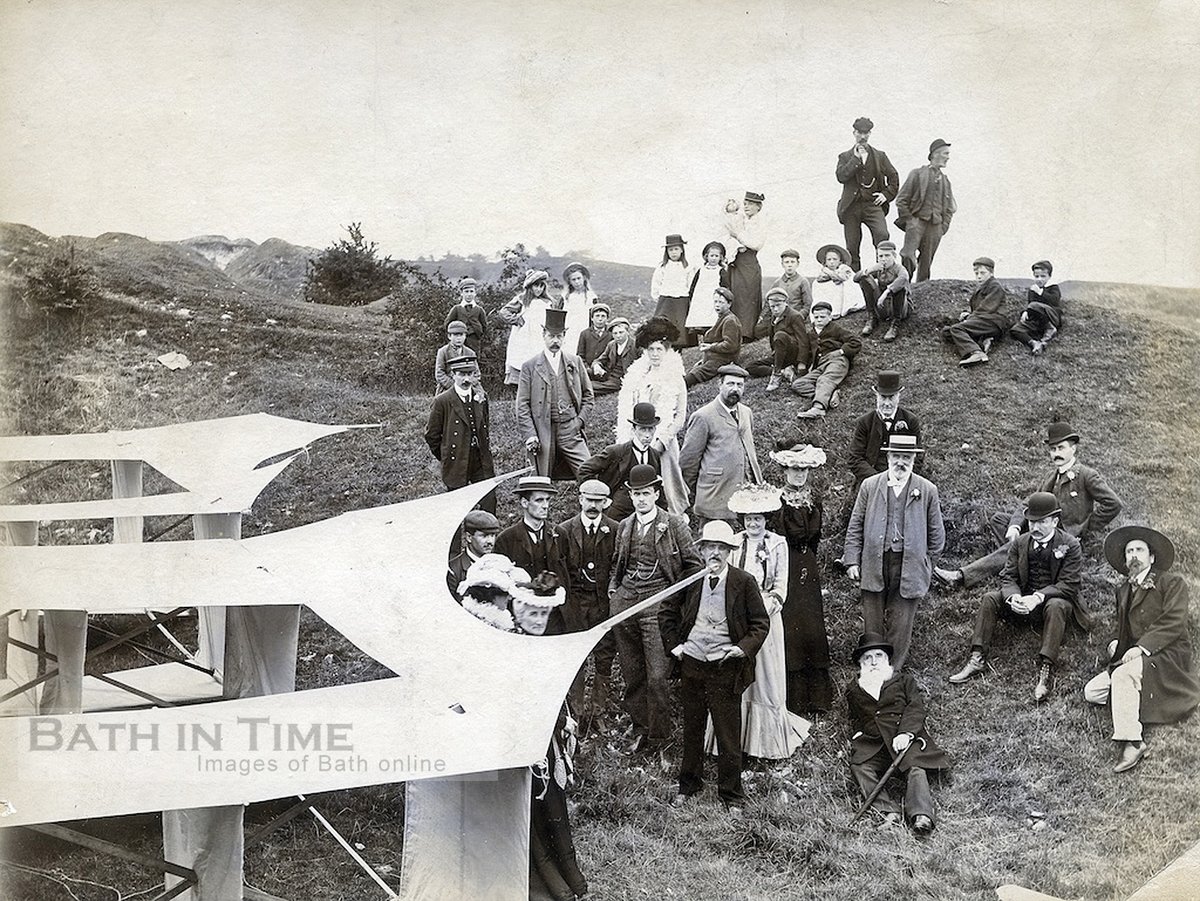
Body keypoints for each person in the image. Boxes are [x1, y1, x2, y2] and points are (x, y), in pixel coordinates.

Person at [660, 520, 769, 813]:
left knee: (727, 734)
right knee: (692, 728)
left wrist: (740, 648)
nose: (715, 554)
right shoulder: (691, 578)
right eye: (710, 547)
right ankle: (688, 785)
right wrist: (675, 646)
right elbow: (666, 611)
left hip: (724, 667)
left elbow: (760, 623)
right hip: (692, 664)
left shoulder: (743, 582)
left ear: (729, 551)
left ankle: (731, 795)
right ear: (702, 550)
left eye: (722, 548)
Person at [934, 422, 1123, 590]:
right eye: (1053, 449)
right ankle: (1023, 558)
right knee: (1000, 520)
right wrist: (1015, 526)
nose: (1056, 453)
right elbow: (1028, 502)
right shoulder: (1051, 476)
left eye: (1061, 448)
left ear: (1073, 449)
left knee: (1020, 543)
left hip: (1062, 538)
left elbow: (1113, 504)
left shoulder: (1086, 475)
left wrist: (1086, 527)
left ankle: (961, 576)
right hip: (1043, 527)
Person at [947, 492, 1089, 701]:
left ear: (1055, 521)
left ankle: (1045, 669)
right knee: (990, 598)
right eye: (1031, 522)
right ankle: (977, 657)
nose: (1035, 528)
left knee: (1057, 605)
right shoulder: (1020, 543)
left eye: (1042, 522)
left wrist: (1038, 597)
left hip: (1053, 605)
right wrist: (1014, 598)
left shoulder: (1070, 545)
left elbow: (1069, 585)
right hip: (1023, 603)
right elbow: (1009, 576)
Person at [1084, 526, 1200, 773]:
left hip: (1167, 655)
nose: (1133, 555)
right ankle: (1135, 695)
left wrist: (1142, 648)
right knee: (1092, 692)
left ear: (1152, 557)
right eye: (1129, 551)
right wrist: (1116, 641)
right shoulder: (1123, 590)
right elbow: (1122, 626)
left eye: (1139, 550)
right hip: (1137, 656)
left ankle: (1133, 741)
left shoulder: (1171, 583)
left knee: (1123, 676)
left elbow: (1174, 622)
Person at [608, 464, 703, 755]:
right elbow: (617, 564)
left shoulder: (673, 524)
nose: (640, 499)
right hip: (625, 605)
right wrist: (615, 591)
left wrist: (675, 601)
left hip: (658, 607)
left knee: (658, 676)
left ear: (656, 493)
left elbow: (695, 565)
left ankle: (660, 739)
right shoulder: (624, 526)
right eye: (636, 494)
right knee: (631, 672)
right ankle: (640, 729)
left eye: (646, 493)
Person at [719, 484, 809, 758]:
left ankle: (767, 742)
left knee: (767, 675)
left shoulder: (777, 543)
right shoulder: (735, 544)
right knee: (739, 672)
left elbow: (781, 586)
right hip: (738, 618)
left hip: (767, 616)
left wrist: (766, 608)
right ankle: (739, 739)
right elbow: (726, 579)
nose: (753, 523)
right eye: (748, 519)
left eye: (758, 518)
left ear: (766, 519)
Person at [841, 434, 945, 671]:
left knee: (901, 622)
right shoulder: (870, 486)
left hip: (909, 565)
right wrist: (851, 561)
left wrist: (926, 564)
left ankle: (892, 673)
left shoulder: (927, 490)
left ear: (913, 459)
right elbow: (855, 524)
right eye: (896, 456)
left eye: (906, 457)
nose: (901, 462)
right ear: (888, 457)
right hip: (874, 561)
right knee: (872, 620)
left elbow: (937, 535)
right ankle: (871, 669)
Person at [846, 633, 949, 834]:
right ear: (861, 663)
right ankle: (888, 812)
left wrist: (906, 733)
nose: (874, 661)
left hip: (903, 739)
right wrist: (858, 734)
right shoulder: (854, 688)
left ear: (887, 659)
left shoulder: (903, 680)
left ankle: (921, 815)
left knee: (915, 768)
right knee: (859, 766)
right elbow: (856, 717)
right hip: (874, 743)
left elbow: (915, 707)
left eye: (878, 656)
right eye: (868, 657)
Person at [768, 445, 834, 713]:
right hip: (787, 564)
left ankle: (816, 698)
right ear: (785, 470)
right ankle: (794, 698)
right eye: (795, 469)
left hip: (808, 564)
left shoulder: (813, 500)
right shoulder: (777, 503)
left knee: (812, 624)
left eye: (804, 469)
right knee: (792, 623)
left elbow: (815, 538)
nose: (799, 475)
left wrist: (809, 562)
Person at [553, 480, 620, 726]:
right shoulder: (564, 530)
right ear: (580, 499)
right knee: (576, 658)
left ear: (606, 502)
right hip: (575, 605)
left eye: (598, 501)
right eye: (589, 500)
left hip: (603, 605)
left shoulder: (615, 529)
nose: (593, 506)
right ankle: (577, 713)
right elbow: (559, 569)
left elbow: (617, 567)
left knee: (604, 657)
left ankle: (598, 713)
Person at [617, 318, 690, 514]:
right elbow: (628, 408)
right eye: (651, 349)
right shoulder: (638, 376)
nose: (655, 354)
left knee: (666, 487)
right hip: (638, 439)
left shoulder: (676, 378)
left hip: (662, 443)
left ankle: (672, 519)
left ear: (667, 350)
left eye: (659, 349)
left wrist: (662, 442)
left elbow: (680, 417)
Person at [516, 308, 595, 479]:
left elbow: (589, 397)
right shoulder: (530, 366)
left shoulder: (575, 362)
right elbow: (522, 405)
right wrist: (530, 435)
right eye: (551, 336)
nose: (555, 341)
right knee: (540, 480)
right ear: (543, 334)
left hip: (570, 429)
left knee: (588, 473)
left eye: (559, 336)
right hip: (542, 430)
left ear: (564, 337)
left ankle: (587, 503)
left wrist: (579, 421)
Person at [680, 365, 762, 527]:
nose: (735, 389)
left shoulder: (746, 412)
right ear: (720, 385)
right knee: (714, 546)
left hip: (747, 495)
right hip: (715, 497)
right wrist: (693, 492)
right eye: (730, 384)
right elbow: (688, 461)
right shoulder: (703, 416)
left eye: (740, 385)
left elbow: (747, 448)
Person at [578, 402, 665, 522]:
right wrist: (602, 497)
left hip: (643, 508)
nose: (647, 435)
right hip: (618, 508)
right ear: (634, 429)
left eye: (650, 429)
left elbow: (657, 486)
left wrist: (664, 514)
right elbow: (585, 469)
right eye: (642, 429)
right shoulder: (616, 452)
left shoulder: (654, 455)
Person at [836, 116, 900, 273]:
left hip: (873, 205)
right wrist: (855, 159)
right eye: (859, 133)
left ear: (870, 134)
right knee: (852, 246)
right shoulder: (845, 156)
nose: (863, 137)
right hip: (851, 207)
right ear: (854, 133)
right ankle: (855, 283)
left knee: (882, 235)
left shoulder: (880, 156)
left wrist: (886, 195)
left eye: (866, 133)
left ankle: (883, 274)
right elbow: (841, 176)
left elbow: (894, 177)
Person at [424, 351, 495, 492]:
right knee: (457, 503)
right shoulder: (442, 401)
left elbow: (485, 428)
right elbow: (432, 435)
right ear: (453, 375)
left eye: (469, 374)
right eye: (461, 374)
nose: (466, 379)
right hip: (456, 460)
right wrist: (446, 455)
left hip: (480, 459)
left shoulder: (481, 397)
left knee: (488, 499)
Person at [846, 370, 922, 493]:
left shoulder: (910, 421)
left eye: (891, 397)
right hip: (871, 479)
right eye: (883, 397)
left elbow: (917, 457)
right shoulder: (865, 422)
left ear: (898, 396)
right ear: (876, 396)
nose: (887, 403)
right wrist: (879, 480)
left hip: (901, 479)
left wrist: (900, 479)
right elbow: (854, 458)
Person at [895, 138, 956, 282]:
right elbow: (901, 199)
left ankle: (921, 289)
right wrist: (910, 220)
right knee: (908, 255)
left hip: (935, 226)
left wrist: (943, 226)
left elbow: (950, 209)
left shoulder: (946, 181)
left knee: (926, 261)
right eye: (945, 154)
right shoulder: (917, 174)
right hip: (917, 222)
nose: (948, 157)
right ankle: (904, 284)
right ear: (935, 154)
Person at [793, 300, 862, 420]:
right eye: (816, 317)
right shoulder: (811, 333)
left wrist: (840, 351)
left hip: (837, 361)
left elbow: (856, 342)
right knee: (798, 384)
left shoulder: (836, 329)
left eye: (823, 317)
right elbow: (808, 352)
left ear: (830, 317)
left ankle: (818, 408)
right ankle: (829, 396)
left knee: (824, 379)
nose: (819, 320)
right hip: (821, 365)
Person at [943, 256, 1010, 366]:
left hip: (993, 321)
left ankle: (976, 353)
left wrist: (968, 319)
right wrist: (968, 314)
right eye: (976, 273)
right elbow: (977, 308)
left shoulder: (995, 286)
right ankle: (984, 340)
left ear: (991, 273)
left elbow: (986, 308)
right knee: (947, 332)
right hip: (984, 320)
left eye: (982, 273)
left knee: (957, 329)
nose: (979, 276)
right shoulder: (981, 288)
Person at [495, 475, 560, 578]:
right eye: (539, 500)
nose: (545, 506)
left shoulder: (560, 534)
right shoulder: (506, 539)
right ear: (525, 503)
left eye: (547, 500)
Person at [747, 288, 808, 391]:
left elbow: (803, 342)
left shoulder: (795, 316)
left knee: (780, 335)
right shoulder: (774, 318)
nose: (775, 309)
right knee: (751, 367)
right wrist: (775, 355)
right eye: (772, 307)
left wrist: (802, 363)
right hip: (780, 355)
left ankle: (776, 375)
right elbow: (772, 339)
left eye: (778, 305)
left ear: (785, 302)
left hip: (793, 355)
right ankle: (784, 371)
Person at [723, 191, 766, 338]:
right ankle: (734, 332)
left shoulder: (760, 222)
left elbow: (756, 244)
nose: (747, 206)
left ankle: (747, 332)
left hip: (749, 262)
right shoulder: (741, 219)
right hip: (736, 261)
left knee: (748, 296)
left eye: (751, 204)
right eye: (745, 203)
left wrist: (738, 235)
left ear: (758, 207)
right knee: (736, 295)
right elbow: (729, 232)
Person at [499, 269, 553, 386]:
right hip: (523, 336)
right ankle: (521, 388)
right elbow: (504, 312)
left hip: (540, 335)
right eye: (536, 286)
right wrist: (517, 319)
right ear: (530, 286)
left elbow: (553, 317)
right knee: (522, 358)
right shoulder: (522, 299)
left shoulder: (548, 301)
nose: (538, 289)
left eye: (541, 286)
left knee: (539, 357)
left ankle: (538, 388)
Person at [683, 287, 742, 388]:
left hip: (724, 360)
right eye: (716, 302)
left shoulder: (730, 320)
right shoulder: (722, 317)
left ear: (729, 304)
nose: (717, 305)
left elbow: (730, 345)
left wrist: (710, 347)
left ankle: (679, 388)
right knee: (696, 369)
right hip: (715, 357)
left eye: (721, 302)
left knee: (696, 373)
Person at [854, 240, 912, 341]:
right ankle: (872, 317)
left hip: (901, 307)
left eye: (887, 256)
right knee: (864, 279)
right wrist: (870, 270)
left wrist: (887, 291)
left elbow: (904, 278)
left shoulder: (899, 268)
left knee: (899, 287)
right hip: (883, 306)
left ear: (894, 256)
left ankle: (895, 324)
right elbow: (855, 278)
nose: (883, 259)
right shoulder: (879, 268)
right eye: (880, 256)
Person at [1010, 260, 1063, 354]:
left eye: (1043, 276)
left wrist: (1040, 292)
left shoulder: (1053, 288)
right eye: (1036, 276)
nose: (1039, 279)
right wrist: (1025, 312)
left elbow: (1054, 300)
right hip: (1037, 321)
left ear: (1049, 277)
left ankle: (1050, 328)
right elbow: (1030, 304)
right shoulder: (1032, 290)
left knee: (1034, 305)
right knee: (1015, 330)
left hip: (1051, 316)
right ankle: (1034, 343)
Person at [447, 509, 501, 599]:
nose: (490, 541)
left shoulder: (500, 564)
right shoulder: (453, 570)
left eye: (492, 535)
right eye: (484, 536)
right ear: (469, 537)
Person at [685, 241, 731, 347]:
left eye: (716, 256)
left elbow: (725, 285)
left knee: (712, 317)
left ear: (720, 257)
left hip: (713, 297)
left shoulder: (721, 271)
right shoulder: (701, 270)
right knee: (699, 316)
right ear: (706, 256)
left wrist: (723, 296)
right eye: (711, 255)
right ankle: (699, 339)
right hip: (700, 298)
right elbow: (694, 283)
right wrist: (691, 296)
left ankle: (711, 338)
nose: (714, 258)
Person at [650, 235, 691, 340]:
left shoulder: (687, 267)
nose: (673, 252)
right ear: (667, 251)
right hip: (666, 302)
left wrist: (687, 298)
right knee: (663, 329)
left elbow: (690, 284)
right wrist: (659, 298)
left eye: (676, 249)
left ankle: (678, 353)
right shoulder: (662, 267)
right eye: (670, 250)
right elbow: (656, 283)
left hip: (681, 301)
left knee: (680, 330)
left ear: (682, 250)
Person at [810, 244, 863, 320]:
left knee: (841, 285)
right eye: (829, 259)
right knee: (818, 285)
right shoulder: (825, 270)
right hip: (831, 287)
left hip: (843, 286)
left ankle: (841, 309)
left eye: (835, 259)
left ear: (840, 261)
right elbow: (820, 279)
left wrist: (833, 275)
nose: (832, 262)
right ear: (825, 261)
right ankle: (823, 307)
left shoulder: (844, 268)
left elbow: (844, 277)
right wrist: (829, 275)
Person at [444, 276, 490, 357]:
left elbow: (485, 327)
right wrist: (454, 337)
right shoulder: (456, 309)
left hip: (474, 342)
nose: (469, 294)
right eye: (466, 291)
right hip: (458, 342)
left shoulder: (479, 310)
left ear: (475, 293)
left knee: (473, 362)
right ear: (462, 293)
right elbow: (447, 324)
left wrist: (478, 334)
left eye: (471, 291)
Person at [590, 317, 635, 396]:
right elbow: (600, 360)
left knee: (593, 387)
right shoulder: (611, 344)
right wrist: (597, 366)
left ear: (628, 332)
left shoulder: (635, 346)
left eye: (621, 332)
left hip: (621, 378)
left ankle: (585, 387)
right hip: (607, 373)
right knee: (585, 372)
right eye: (615, 333)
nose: (618, 336)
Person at [560, 262, 598, 341]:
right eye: (573, 279)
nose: (577, 282)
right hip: (569, 333)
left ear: (584, 278)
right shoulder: (565, 298)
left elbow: (595, 318)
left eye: (579, 278)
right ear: (569, 281)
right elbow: (559, 317)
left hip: (585, 333)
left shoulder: (591, 297)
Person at [434, 320, 472, 391]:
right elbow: (439, 374)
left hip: (466, 388)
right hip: (447, 389)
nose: (458, 338)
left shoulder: (470, 353)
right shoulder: (443, 352)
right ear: (449, 336)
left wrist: (466, 384)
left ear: (465, 336)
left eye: (461, 335)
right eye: (455, 335)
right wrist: (455, 386)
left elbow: (476, 373)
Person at [575, 303, 612, 368]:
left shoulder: (611, 334)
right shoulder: (585, 334)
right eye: (597, 316)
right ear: (592, 318)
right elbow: (580, 356)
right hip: (587, 371)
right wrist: (587, 369)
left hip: (605, 372)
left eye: (603, 316)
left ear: (607, 319)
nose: (600, 319)